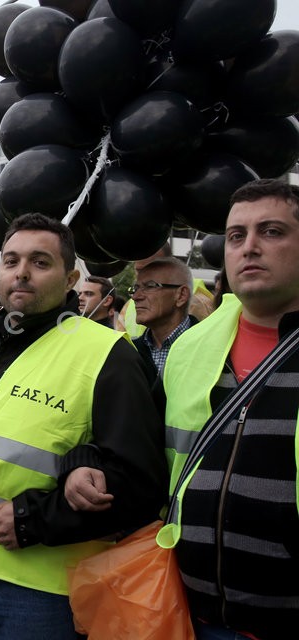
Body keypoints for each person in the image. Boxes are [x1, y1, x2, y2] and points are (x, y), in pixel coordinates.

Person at [0, 214, 166, 639]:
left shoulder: (109, 353)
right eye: (11, 260)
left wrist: (32, 520)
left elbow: (140, 486)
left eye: (40, 262)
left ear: (71, 277)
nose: (21, 272)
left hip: (46, 591)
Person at [158, 179, 299, 639]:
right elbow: (156, 458)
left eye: (272, 232)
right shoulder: (190, 346)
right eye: (237, 236)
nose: (249, 247)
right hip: (190, 615)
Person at [130, 257, 196, 376]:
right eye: (135, 288)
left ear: (181, 295)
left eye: (150, 286)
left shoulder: (208, 346)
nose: (135, 297)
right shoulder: (130, 351)